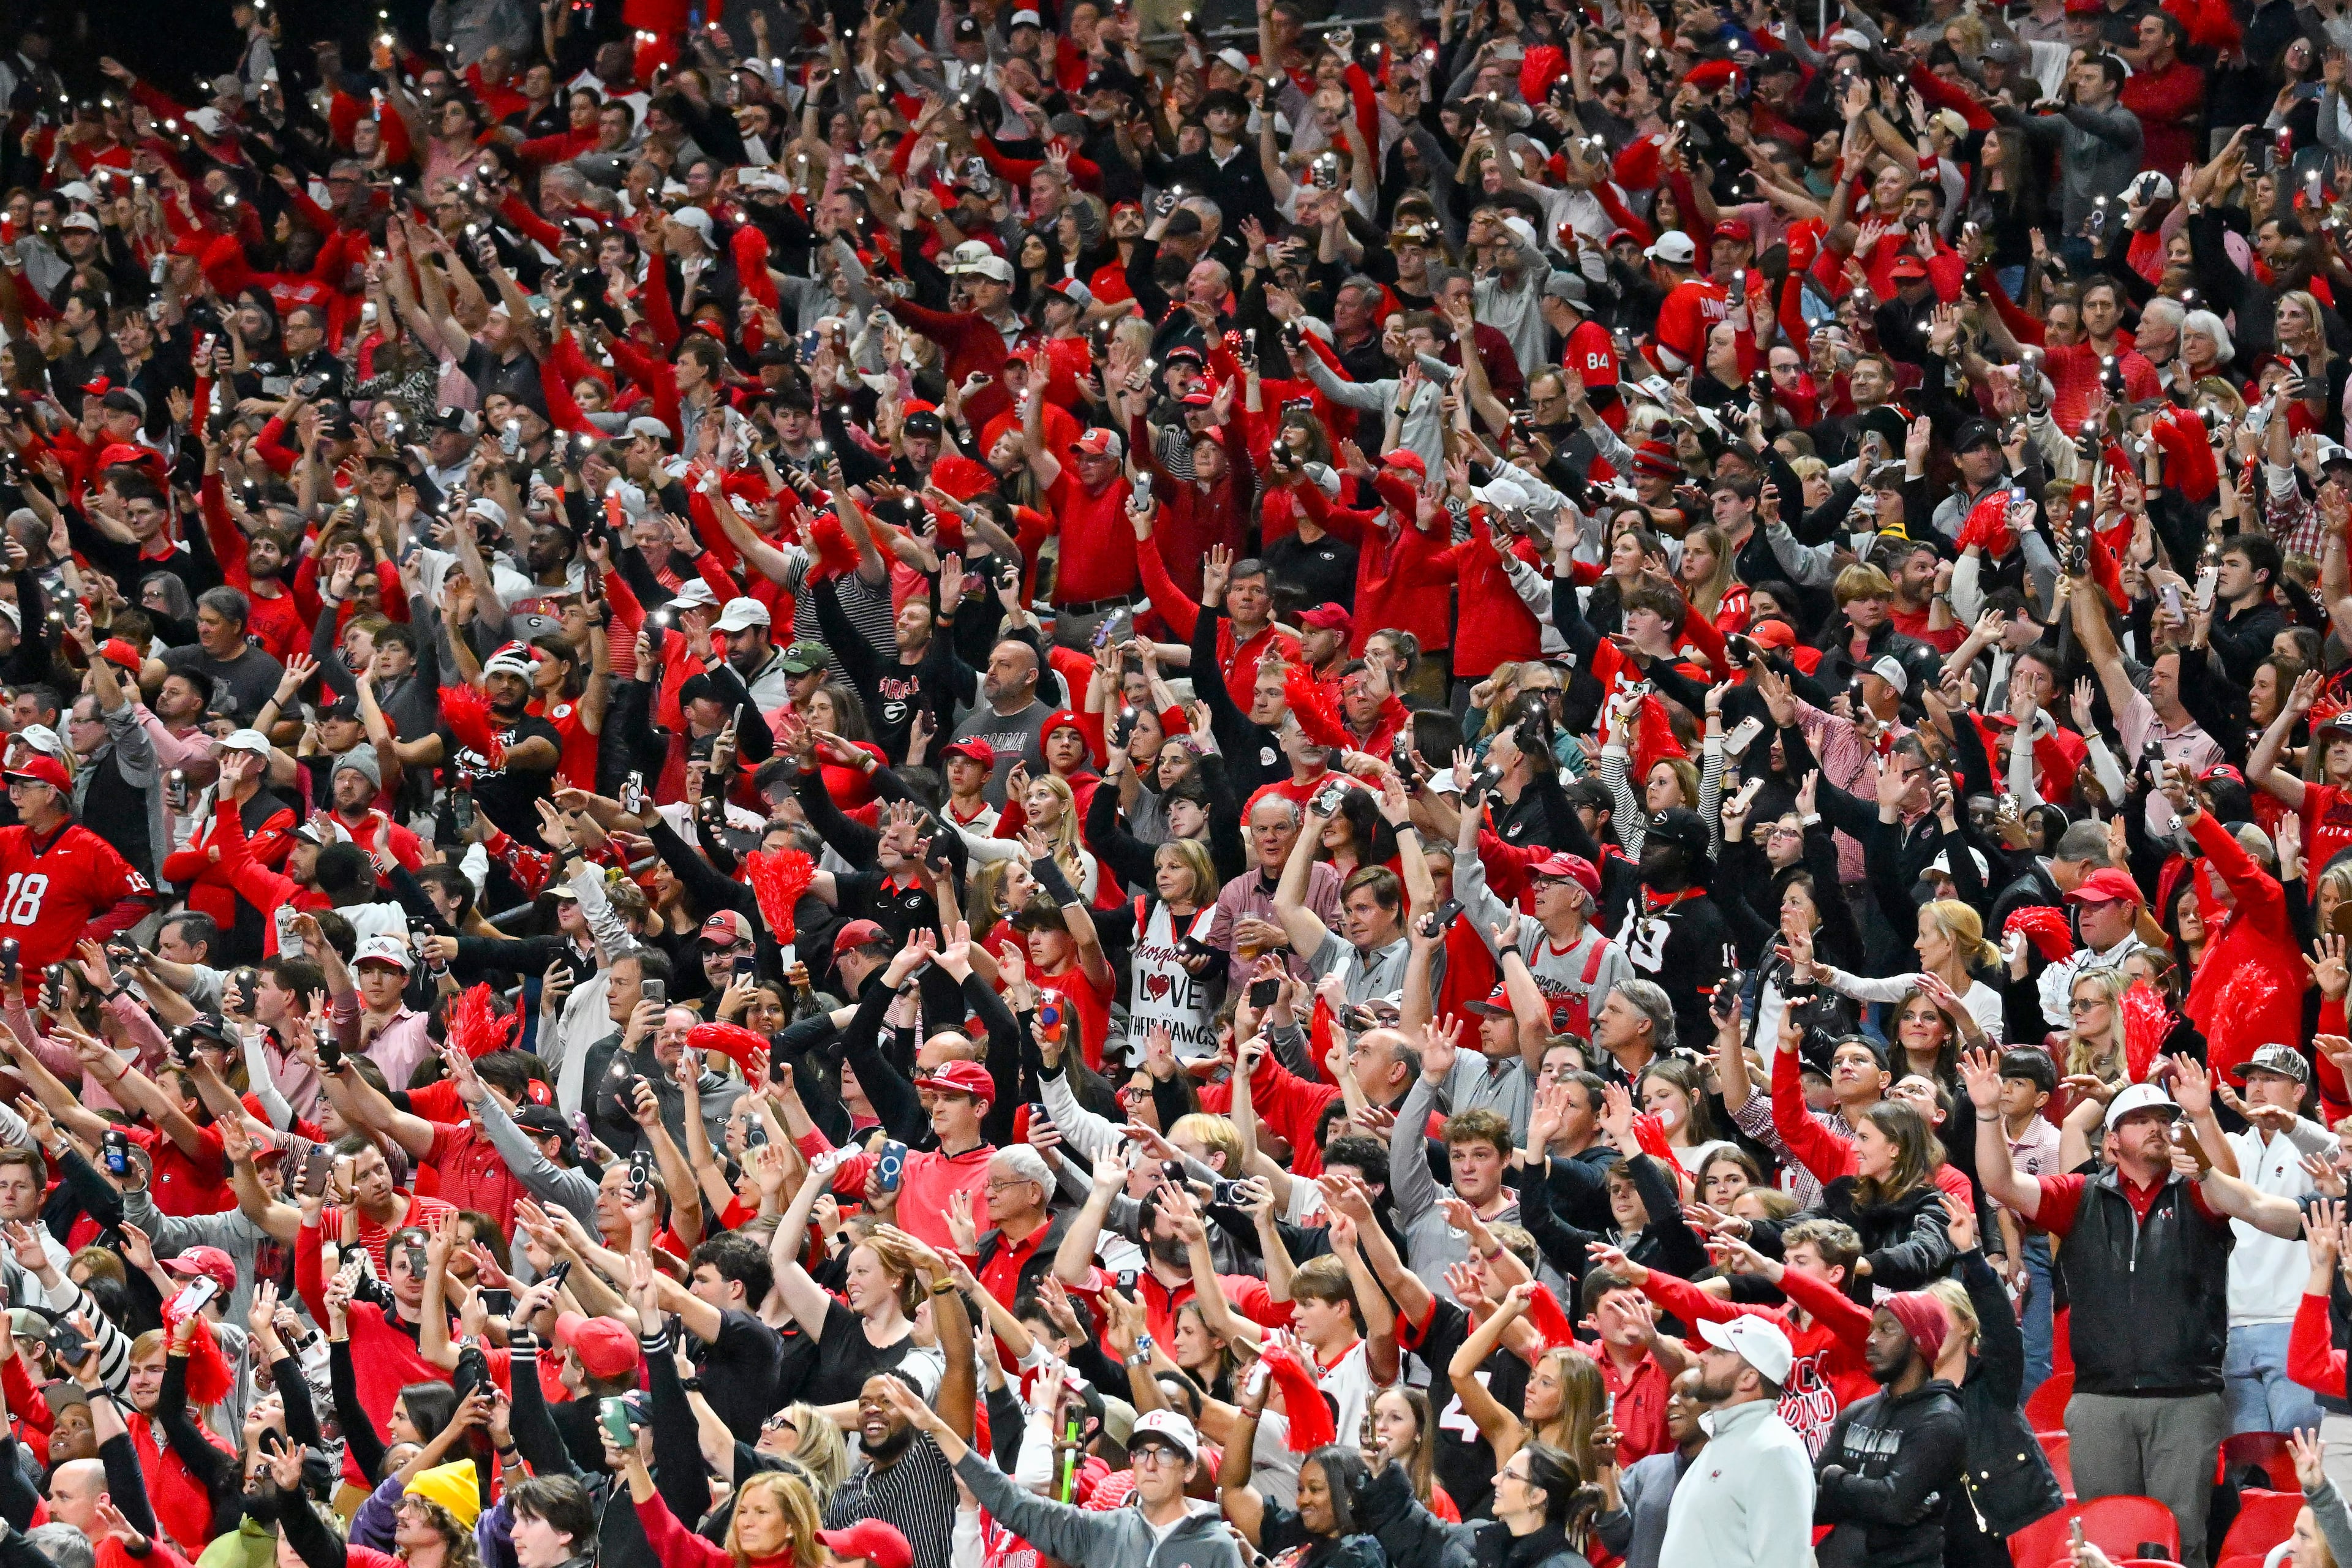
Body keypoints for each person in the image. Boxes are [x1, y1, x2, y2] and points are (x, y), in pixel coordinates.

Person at [1657, 1316, 1817, 1568]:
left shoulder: (1775, 1450)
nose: (1702, 1357)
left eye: (1718, 1351)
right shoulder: (1722, 1439)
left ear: (1749, 1378)